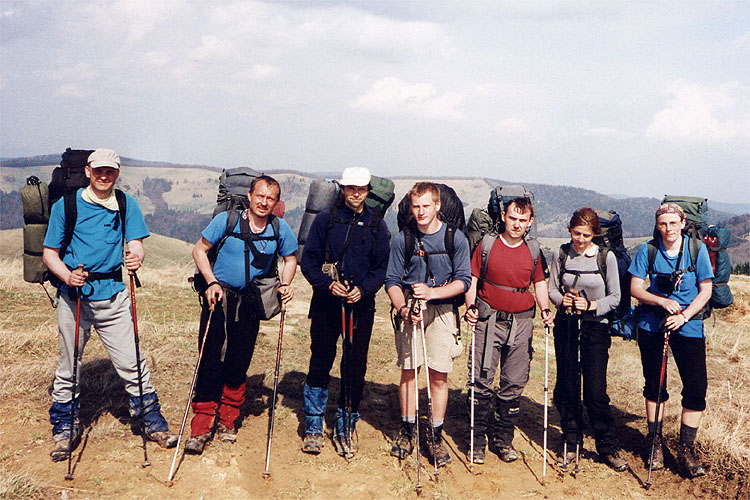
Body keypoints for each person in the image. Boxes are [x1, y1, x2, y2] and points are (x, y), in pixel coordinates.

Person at [42, 148, 176, 462]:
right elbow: (50, 253)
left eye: (111, 171)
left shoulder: (126, 204)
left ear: (117, 173)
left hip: (114, 294)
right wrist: (66, 276)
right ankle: (64, 427)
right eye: (99, 170)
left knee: (132, 364)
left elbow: (136, 244)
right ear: (88, 171)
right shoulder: (68, 205)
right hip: (74, 297)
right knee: (69, 365)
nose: (105, 176)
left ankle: (151, 421)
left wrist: (136, 257)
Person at [187, 174, 297, 454]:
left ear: (276, 202)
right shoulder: (228, 220)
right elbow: (200, 250)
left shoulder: (279, 228)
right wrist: (211, 282)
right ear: (249, 196)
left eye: (270, 198)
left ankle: (227, 421)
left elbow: (291, 258)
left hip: (251, 302)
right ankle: (201, 426)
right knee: (211, 358)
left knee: (239, 360)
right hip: (218, 299)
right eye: (259, 196)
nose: (263, 202)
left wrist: (285, 285)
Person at [299, 167, 390, 457]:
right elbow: (309, 262)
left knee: (355, 365)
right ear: (342, 188)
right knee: (321, 359)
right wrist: (327, 285)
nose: (355, 193)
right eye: (350, 188)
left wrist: (363, 290)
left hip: (361, 306)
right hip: (327, 303)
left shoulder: (377, 225)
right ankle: (314, 426)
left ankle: (345, 425)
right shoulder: (326, 220)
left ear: (368, 190)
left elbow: (381, 269)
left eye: (361, 188)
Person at [385, 182, 471, 468]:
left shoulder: (455, 238)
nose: (421, 212)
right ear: (411, 208)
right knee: (410, 372)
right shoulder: (402, 239)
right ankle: (408, 431)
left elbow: (463, 281)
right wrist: (402, 309)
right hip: (411, 309)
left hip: (443, 310)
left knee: (438, 375)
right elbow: (392, 281)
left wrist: (433, 293)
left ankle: (435, 434)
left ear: (437, 206)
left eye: (426, 206)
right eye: (416, 206)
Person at [464, 197, 554, 464]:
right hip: (488, 320)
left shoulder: (534, 250)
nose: (516, 224)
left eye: (522, 220)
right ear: (503, 216)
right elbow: (473, 279)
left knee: (514, 382)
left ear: (530, 222)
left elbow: (539, 283)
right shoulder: (487, 245)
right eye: (512, 218)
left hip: (522, 322)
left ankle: (503, 441)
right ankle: (476, 441)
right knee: (481, 378)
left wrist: (546, 310)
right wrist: (471, 306)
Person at [629, 203, 713, 478]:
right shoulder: (648, 250)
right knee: (655, 384)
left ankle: (686, 449)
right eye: (663, 224)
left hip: (687, 324)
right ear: (657, 224)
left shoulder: (696, 249)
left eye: (673, 223)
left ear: (683, 222)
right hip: (652, 323)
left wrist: (684, 316)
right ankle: (655, 442)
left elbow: (705, 290)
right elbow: (635, 287)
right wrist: (662, 301)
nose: (668, 229)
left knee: (696, 386)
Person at [548, 208, 627, 471]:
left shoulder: (607, 257)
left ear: (595, 234)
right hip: (567, 324)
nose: (580, 239)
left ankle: (607, 445)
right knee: (568, 385)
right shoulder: (561, 253)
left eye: (585, 234)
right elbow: (551, 289)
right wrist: (563, 300)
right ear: (569, 230)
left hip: (595, 328)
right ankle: (571, 440)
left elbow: (615, 297)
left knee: (595, 391)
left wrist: (590, 305)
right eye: (575, 233)